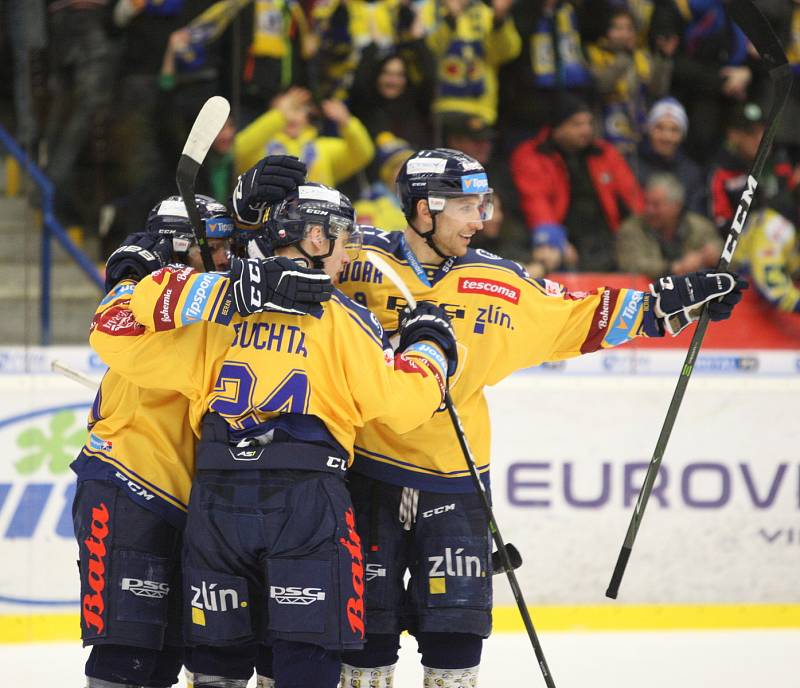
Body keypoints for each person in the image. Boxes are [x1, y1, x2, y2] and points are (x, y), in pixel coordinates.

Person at [314, 148, 741, 685]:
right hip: (363, 474)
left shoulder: (501, 282)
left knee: (457, 637)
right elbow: (280, 270)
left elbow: (582, 316)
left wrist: (674, 301)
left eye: (483, 204)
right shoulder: (354, 260)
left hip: (456, 480)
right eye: (467, 206)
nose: (481, 219)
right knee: (364, 638)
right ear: (424, 209)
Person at [88, 182, 459, 688]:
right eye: (344, 238)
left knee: (216, 657)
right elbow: (405, 404)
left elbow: (113, 331)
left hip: (215, 499)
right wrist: (431, 344)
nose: (349, 254)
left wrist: (154, 276)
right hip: (304, 499)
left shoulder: (218, 314)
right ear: (314, 236)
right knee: (306, 650)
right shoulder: (346, 319)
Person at [72, 158, 332, 688]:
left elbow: (262, 273)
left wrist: (248, 217)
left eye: (226, 246)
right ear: (170, 247)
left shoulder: (219, 291)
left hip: (200, 503)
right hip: (130, 483)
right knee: (128, 655)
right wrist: (222, 282)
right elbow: (118, 316)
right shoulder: (143, 280)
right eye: (212, 246)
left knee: (174, 654)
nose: (224, 257)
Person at [510, 94, 644, 272]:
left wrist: (646, 231)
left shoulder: (604, 152)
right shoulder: (532, 155)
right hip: (563, 238)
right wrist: (555, 240)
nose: (586, 130)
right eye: (577, 124)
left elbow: (632, 195)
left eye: (589, 123)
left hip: (607, 237)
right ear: (557, 127)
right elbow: (535, 202)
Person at [586, 7, 672, 158]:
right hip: (605, 130)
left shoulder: (642, 57)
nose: (624, 34)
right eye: (617, 28)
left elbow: (657, 90)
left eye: (629, 29)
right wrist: (624, 58)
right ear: (606, 30)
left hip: (637, 132)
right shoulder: (594, 54)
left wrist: (663, 58)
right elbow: (601, 86)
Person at [708, 101, 794, 234]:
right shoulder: (721, 173)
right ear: (733, 135)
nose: (761, 138)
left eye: (764, 131)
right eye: (751, 132)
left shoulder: (781, 164)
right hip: (743, 245)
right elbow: (722, 222)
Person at [616, 173, 721, 279]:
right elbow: (632, 265)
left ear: (677, 206)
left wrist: (710, 257)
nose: (649, 210)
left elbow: (724, 253)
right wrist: (675, 268)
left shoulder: (700, 225)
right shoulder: (631, 229)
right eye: (646, 202)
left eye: (656, 205)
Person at [635, 97, 707, 216]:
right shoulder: (633, 166)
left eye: (674, 130)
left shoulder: (692, 173)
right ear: (649, 130)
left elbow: (695, 216)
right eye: (659, 128)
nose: (666, 137)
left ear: (682, 136)